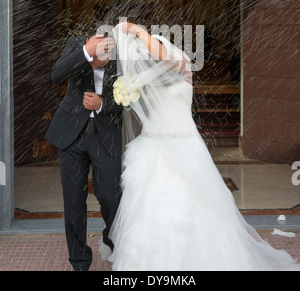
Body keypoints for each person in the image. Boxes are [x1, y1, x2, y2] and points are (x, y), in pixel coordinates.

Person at [106, 21, 300, 271]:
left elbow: (165, 57)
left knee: (191, 203)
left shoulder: (181, 65)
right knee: (149, 206)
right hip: (153, 146)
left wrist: (138, 32)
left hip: (183, 144)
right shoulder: (148, 80)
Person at [45, 33, 123, 271]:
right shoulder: (77, 45)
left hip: (105, 135)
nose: (101, 62)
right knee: (73, 202)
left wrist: (102, 104)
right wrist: (85, 53)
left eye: (106, 58)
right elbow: (56, 74)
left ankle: (112, 239)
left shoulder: (122, 56)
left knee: (110, 196)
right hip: (72, 134)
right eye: (97, 57)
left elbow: (130, 98)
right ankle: (79, 261)